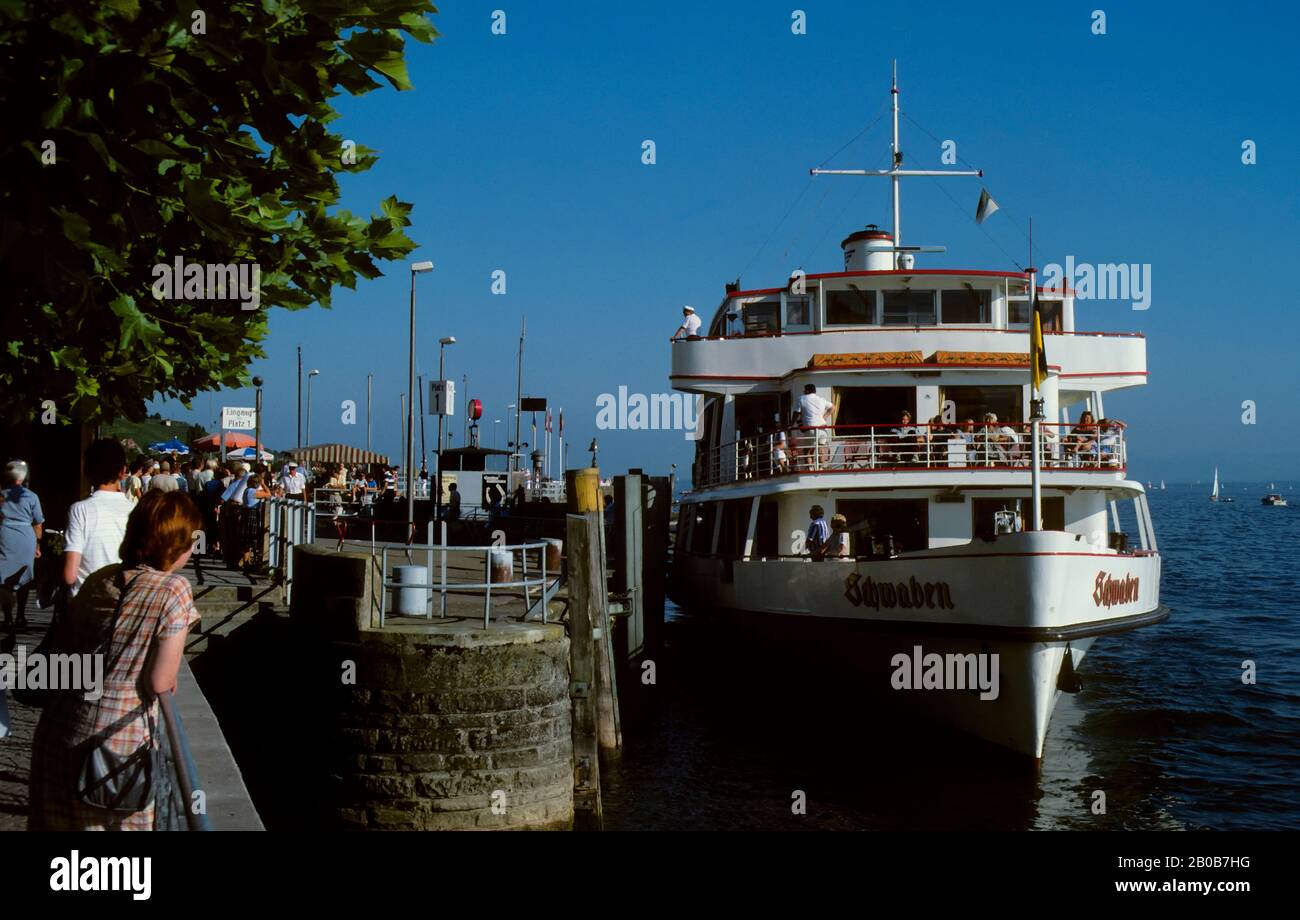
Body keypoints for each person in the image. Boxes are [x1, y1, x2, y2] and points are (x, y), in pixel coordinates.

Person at [28, 491, 202, 831]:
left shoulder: (101, 578)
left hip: (59, 726)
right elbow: (159, 681)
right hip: (113, 745)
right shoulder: (174, 590)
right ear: (177, 544)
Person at [63, 439, 134, 599]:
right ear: (122, 472)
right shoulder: (135, 510)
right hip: (122, 604)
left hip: (84, 604)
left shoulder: (79, 510)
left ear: (87, 472)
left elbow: (70, 575)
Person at [0, 460, 44, 630]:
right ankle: (21, 615)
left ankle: (8, 616)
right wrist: (37, 545)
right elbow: (38, 523)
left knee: (4, 577)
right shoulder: (32, 496)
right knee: (24, 576)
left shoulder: (2, 496)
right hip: (26, 536)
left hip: (5, 536)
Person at [797, 384, 834, 468]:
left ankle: (810, 469)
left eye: (804, 390)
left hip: (811, 429)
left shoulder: (802, 398)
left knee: (808, 451)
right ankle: (820, 468)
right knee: (820, 449)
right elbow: (833, 407)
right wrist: (824, 417)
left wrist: (792, 423)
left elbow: (796, 413)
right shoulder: (821, 399)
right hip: (823, 429)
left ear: (806, 391)